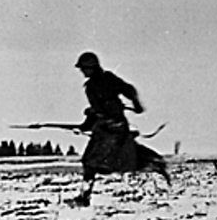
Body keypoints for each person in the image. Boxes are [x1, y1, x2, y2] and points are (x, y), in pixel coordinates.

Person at [68, 51, 168, 207]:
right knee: (90, 162)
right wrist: (89, 119)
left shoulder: (107, 80)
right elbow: (99, 110)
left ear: (92, 67)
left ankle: (155, 165)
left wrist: (137, 104)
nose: (82, 71)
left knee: (102, 162)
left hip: (114, 128)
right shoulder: (92, 86)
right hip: (104, 128)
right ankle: (84, 197)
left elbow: (129, 90)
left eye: (84, 68)